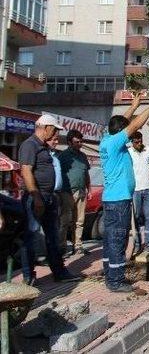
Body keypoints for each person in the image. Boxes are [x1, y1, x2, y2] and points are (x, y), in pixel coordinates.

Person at [100, 94, 149, 292]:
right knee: (119, 239)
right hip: (119, 202)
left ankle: (109, 274)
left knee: (110, 239)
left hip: (111, 200)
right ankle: (116, 281)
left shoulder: (107, 139)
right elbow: (132, 126)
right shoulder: (115, 142)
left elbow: (121, 123)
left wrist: (134, 105)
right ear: (120, 134)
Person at [18, 114, 80, 285]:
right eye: (53, 129)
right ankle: (28, 276)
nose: (55, 133)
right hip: (36, 198)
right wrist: (36, 197)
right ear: (45, 127)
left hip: (49, 197)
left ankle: (59, 272)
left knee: (52, 237)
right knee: (31, 237)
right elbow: (26, 171)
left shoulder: (43, 146)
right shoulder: (29, 145)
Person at [58, 129, 91, 256]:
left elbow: (86, 173)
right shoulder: (63, 156)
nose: (80, 144)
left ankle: (77, 246)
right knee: (65, 221)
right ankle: (62, 248)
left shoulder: (83, 156)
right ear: (69, 142)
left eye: (81, 141)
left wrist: (89, 189)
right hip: (67, 192)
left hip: (81, 191)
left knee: (79, 221)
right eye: (77, 142)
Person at [128, 131, 149, 255]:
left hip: (148, 189)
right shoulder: (128, 153)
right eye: (136, 142)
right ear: (132, 142)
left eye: (140, 141)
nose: (139, 143)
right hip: (135, 190)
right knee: (135, 218)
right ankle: (137, 244)